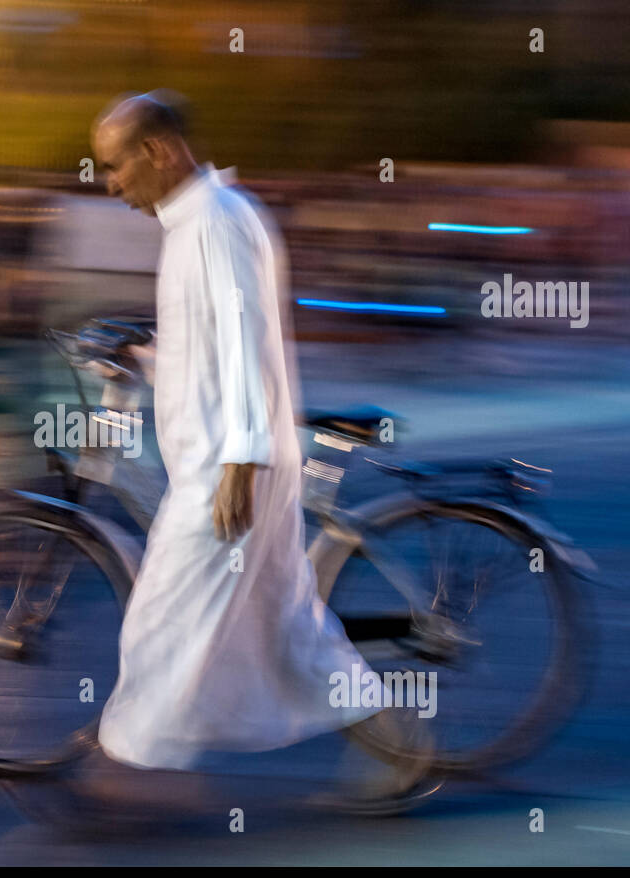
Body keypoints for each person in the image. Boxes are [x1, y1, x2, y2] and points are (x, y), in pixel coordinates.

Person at [88, 91, 434, 805]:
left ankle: (123, 771)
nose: (109, 184)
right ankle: (402, 753)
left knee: (161, 616)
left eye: (114, 166)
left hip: (229, 469)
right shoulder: (200, 221)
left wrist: (241, 464)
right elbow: (213, 347)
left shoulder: (214, 223)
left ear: (156, 151)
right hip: (227, 460)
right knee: (288, 628)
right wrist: (148, 354)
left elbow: (245, 347)